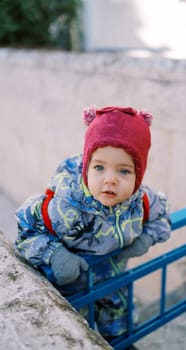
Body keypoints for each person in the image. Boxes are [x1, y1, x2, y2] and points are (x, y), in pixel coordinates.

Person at [15, 105, 171, 345]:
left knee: (122, 332)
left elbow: (163, 217)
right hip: (72, 293)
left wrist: (148, 237)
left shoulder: (142, 201)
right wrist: (54, 254)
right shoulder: (64, 206)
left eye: (124, 171)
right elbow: (25, 229)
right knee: (78, 337)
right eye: (99, 167)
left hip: (115, 285)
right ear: (87, 165)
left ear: (138, 175)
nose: (110, 179)